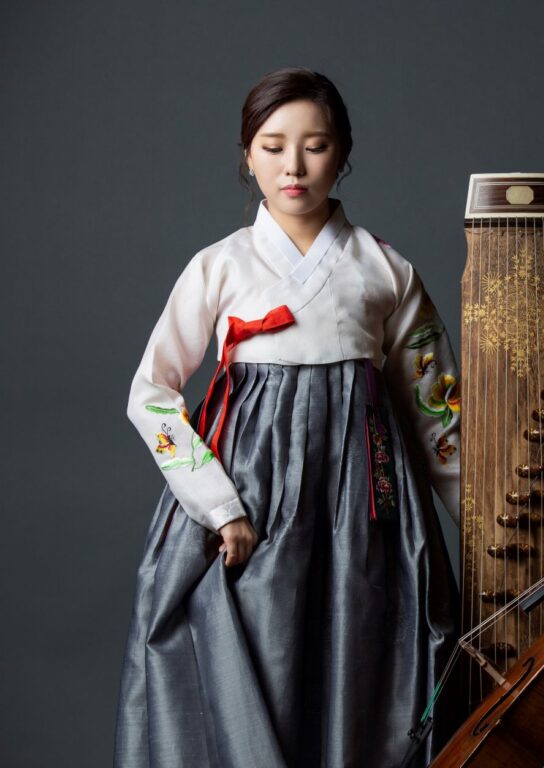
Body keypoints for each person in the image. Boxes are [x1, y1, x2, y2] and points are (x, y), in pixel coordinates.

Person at [114, 68, 462, 768]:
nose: (293, 167)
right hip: (247, 514)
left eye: (315, 145)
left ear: (343, 153)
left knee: (364, 680)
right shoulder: (218, 266)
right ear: (247, 155)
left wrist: (489, 534)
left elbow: (436, 414)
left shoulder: (384, 269)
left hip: (363, 519)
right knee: (243, 687)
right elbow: (150, 391)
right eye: (272, 147)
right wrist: (218, 508)